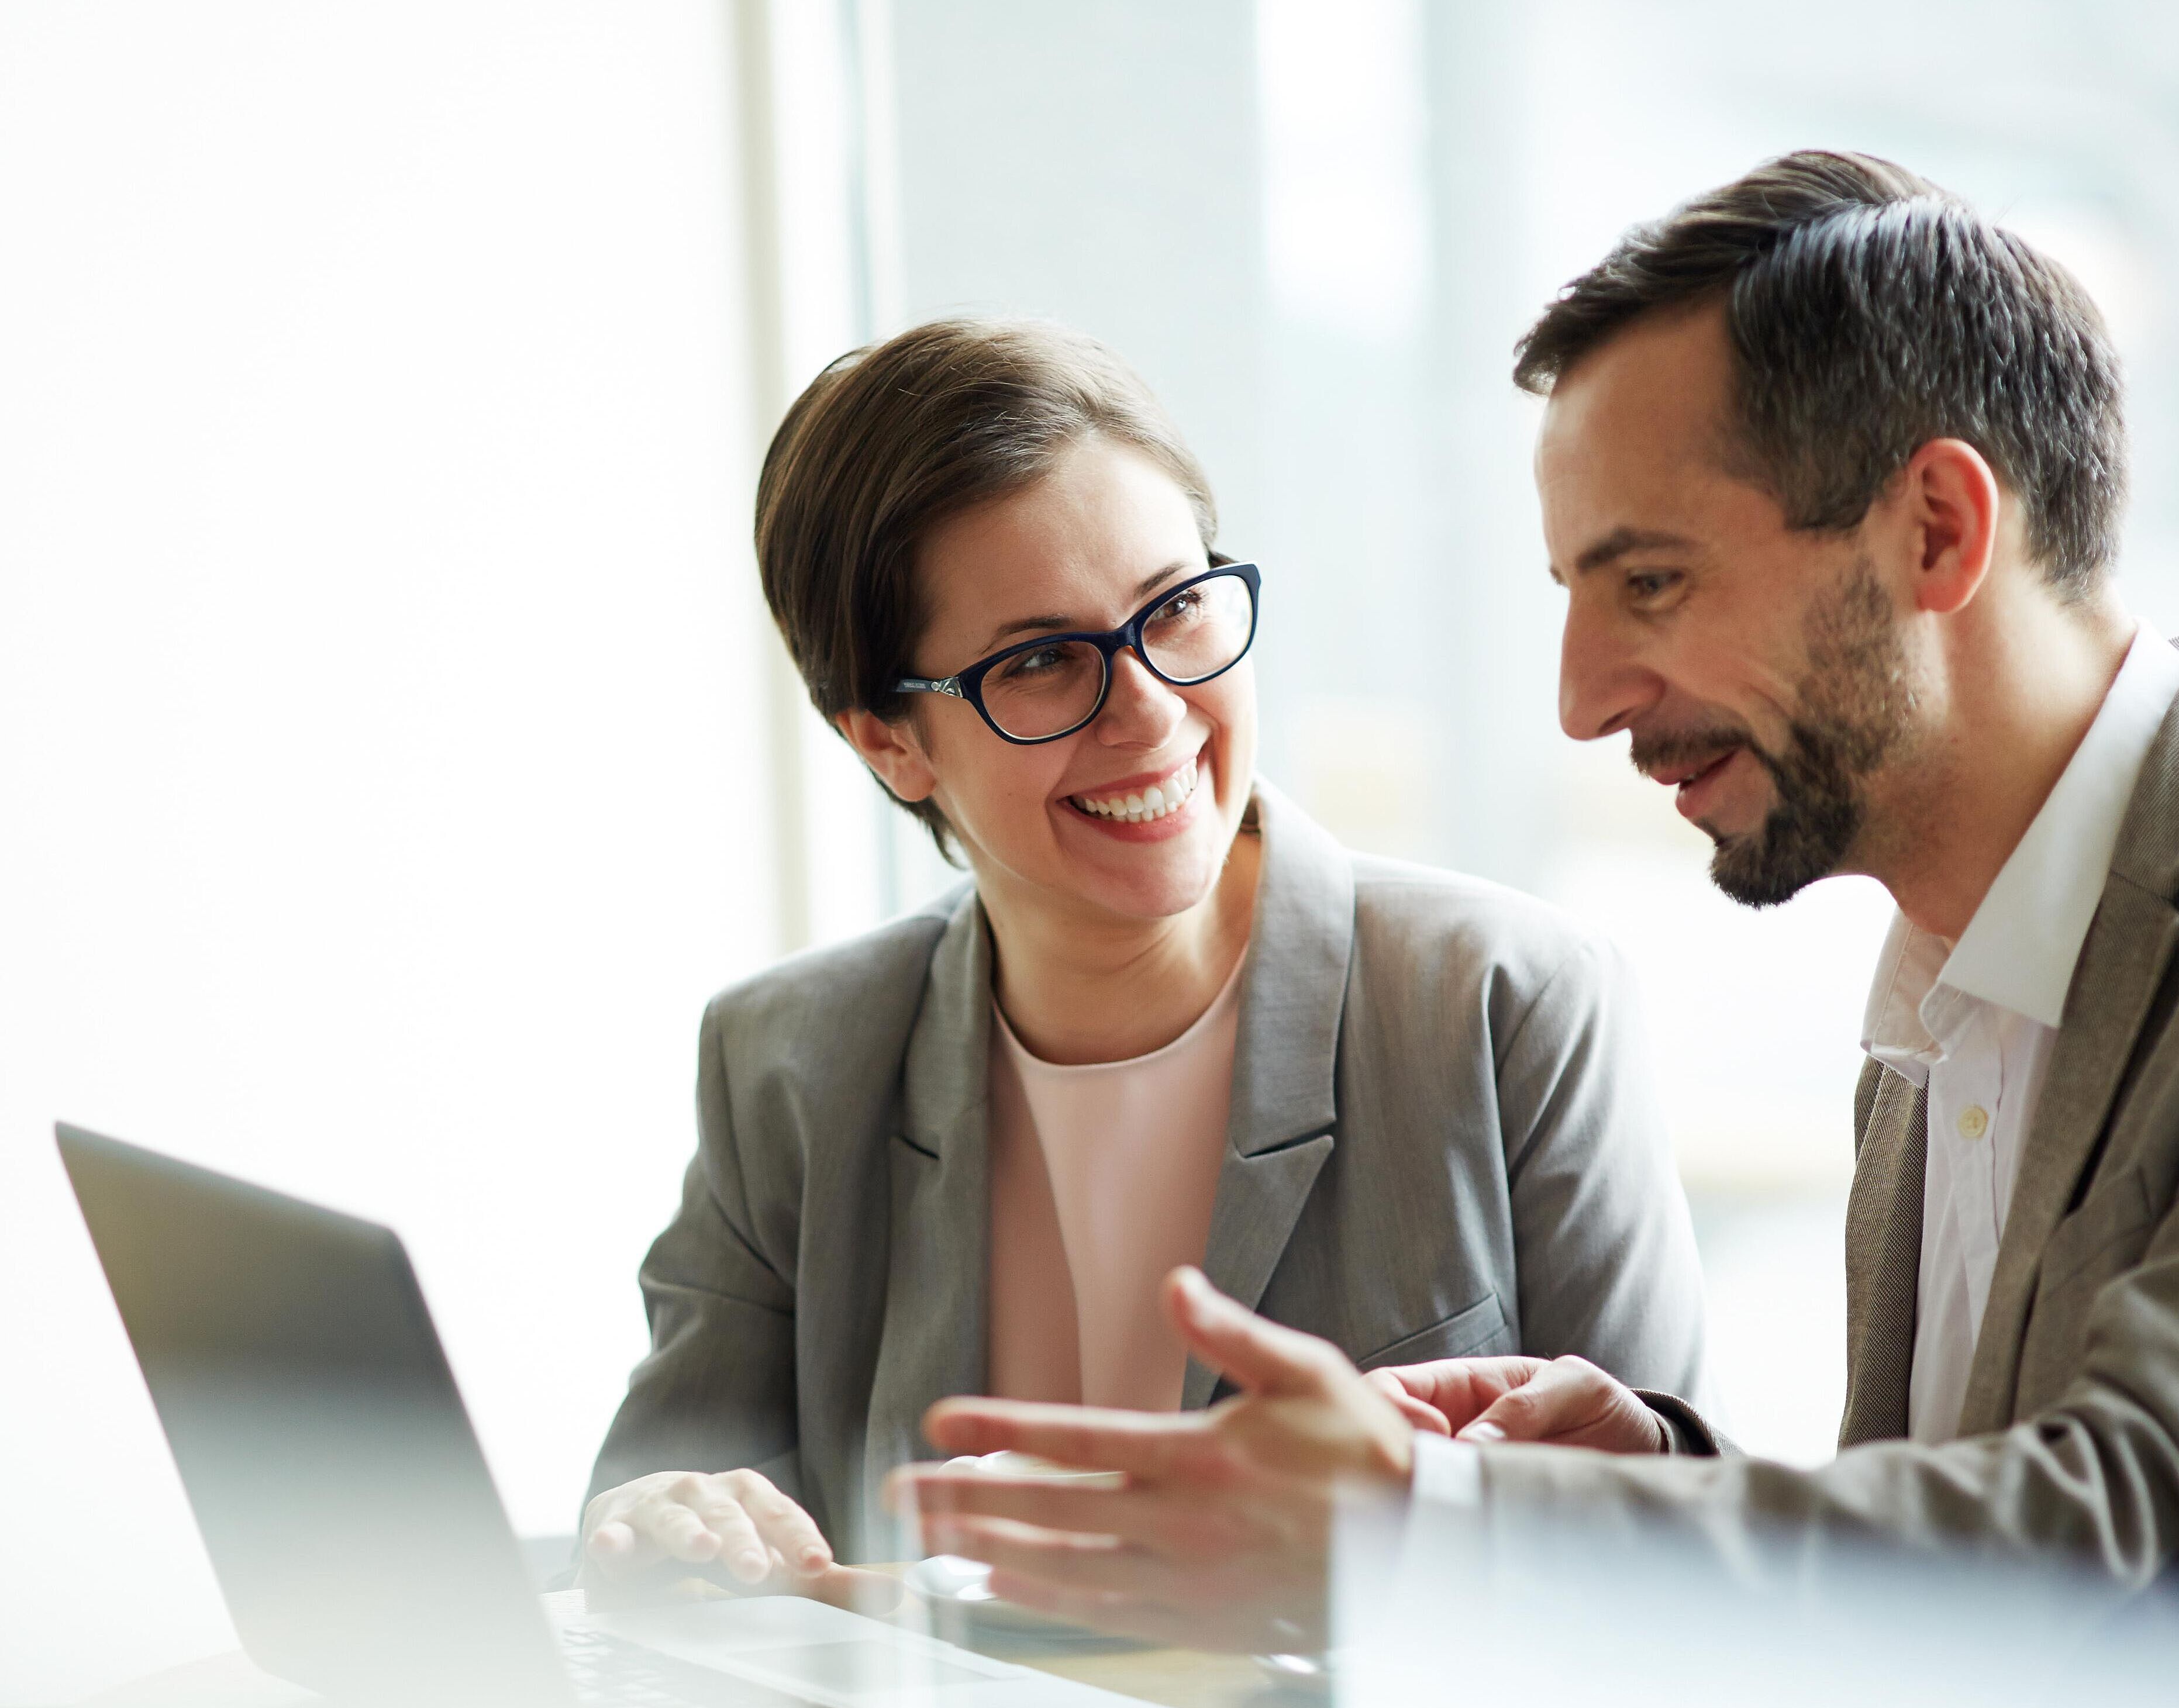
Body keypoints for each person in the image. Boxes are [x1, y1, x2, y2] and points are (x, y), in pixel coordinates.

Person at [894, 145, 2179, 1708]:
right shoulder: (1952, 971)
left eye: (1646, 584)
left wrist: (1441, 1528)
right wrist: (1639, 1467)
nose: (1578, 697)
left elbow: (2145, 1560)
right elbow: (1959, 1601)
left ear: (1934, 528)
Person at [579, 318, 1705, 1602]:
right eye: (1044, 661)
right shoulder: (786, 1061)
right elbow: (661, 1529)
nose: (1152, 711)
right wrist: (668, 1526)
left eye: (1172, 610)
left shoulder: (1501, 1001)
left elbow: (1678, 1557)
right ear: (889, 742)